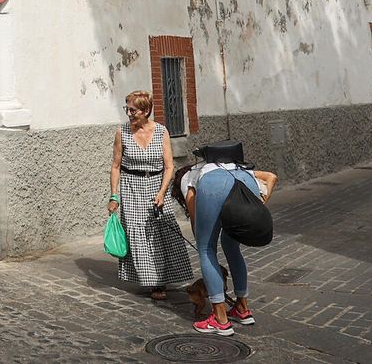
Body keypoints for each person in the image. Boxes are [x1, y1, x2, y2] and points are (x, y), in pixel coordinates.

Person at [181, 149, 277, 336]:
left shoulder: (189, 176)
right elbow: (272, 177)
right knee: (232, 246)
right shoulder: (241, 169)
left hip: (212, 187)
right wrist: (261, 204)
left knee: (206, 248)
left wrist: (199, 235)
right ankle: (242, 309)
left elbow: (195, 221)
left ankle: (220, 319)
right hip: (243, 184)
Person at [108, 91, 193, 300]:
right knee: (139, 232)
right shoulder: (122, 132)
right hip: (132, 186)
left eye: (133, 110)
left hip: (156, 184)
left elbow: (169, 166)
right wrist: (114, 196)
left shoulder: (161, 131)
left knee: (161, 231)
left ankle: (164, 276)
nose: (129, 113)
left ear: (146, 111)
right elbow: (116, 166)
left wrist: (162, 192)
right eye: (126, 109)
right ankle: (154, 282)